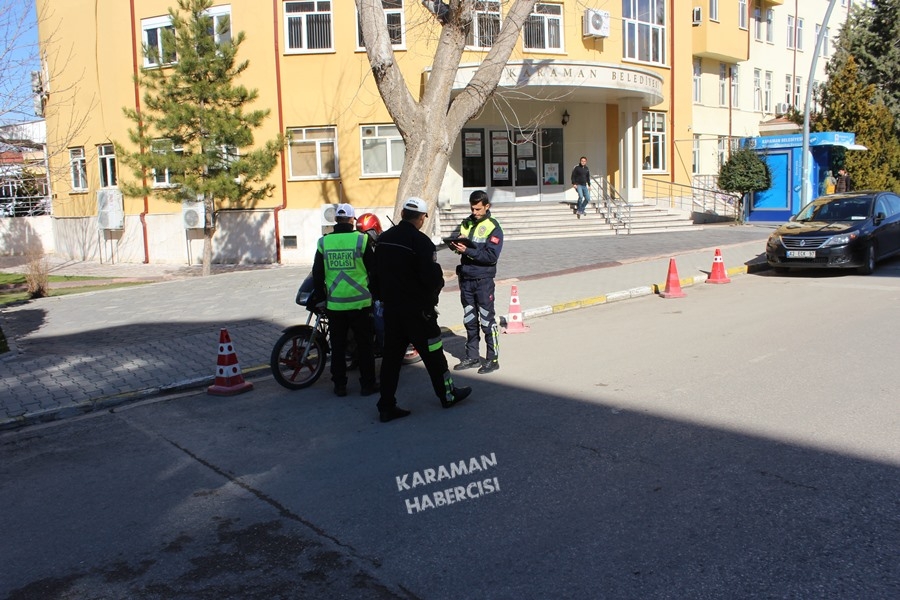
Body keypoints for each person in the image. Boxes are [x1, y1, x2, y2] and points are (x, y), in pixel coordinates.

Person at [374, 197, 472, 423]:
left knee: (391, 360)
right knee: (435, 355)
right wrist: (432, 297)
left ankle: (386, 406)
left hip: (392, 311)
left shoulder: (384, 239)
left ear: (402, 214)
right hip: (418, 313)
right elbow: (432, 278)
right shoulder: (421, 242)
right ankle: (447, 395)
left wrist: (382, 298)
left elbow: (374, 274)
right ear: (421, 218)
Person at [312, 203, 378, 398]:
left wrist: (321, 299)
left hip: (335, 305)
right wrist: (376, 294)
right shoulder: (362, 240)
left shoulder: (324, 242)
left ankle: (340, 385)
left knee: (338, 347)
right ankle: (367, 384)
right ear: (352, 220)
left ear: (335, 220)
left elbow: (317, 274)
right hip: (360, 304)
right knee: (364, 346)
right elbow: (374, 270)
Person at [447, 190, 503, 374]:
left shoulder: (494, 227)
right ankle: (472, 357)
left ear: (487, 206)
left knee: (487, 321)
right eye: (472, 208)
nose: (474, 212)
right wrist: (455, 246)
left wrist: (468, 251)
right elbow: (461, 247)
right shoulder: (466, 223)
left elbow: (491, 256)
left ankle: (492, 359)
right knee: (470, 320)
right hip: (466, 279)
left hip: (483, 280)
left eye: (478, 209)